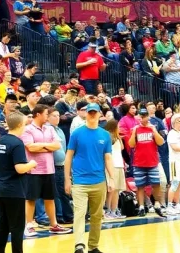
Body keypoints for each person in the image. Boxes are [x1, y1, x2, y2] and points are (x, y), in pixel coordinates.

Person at [65, 102, 114, 253]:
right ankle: (79, 245)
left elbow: (108, 158)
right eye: (90, 112)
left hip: (99, 181)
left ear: (100, 115)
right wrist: (67, 178)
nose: (92, 114)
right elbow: (68, 157)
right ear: (86, 114)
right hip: (80, 181)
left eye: (95, 112)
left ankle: (93, 246)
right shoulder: (77, 133)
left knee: (97, 215)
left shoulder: (105, 135)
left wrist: (111, 178)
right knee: (79, 214)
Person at [22, 105, 71, 236]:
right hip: (33, 170)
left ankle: (54, 224)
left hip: (49, 169)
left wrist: (42, 146)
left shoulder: (49, 129)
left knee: (50, 198)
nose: (47, 117)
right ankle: (28, 225)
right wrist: (48, 146)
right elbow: (30, 147)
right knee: (31, 199)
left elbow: (57, 145)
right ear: (38, 114)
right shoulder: (27, 129)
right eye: (45, 114)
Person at [0, 110, 38, 253]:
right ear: (20, 124)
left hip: (1, 188)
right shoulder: (17, 143)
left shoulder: (1, 140)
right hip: (15, 190)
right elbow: (19, 168)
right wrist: (31, 164)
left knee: (4, 225)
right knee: (17, 227)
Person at [129, 107, 166, 217]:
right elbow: (131, 145)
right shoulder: (135, 129)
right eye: (141, 116)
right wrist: (134, 132)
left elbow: (161, 142)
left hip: (152, 161)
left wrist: (154, 130)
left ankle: (157, 204)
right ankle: (141, 207)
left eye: (144, 116)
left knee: (156, 184)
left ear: (148, 117)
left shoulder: (152, 128)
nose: (142, 118)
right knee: (140, 186)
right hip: (139, 162)